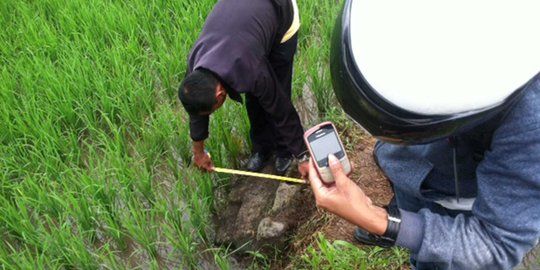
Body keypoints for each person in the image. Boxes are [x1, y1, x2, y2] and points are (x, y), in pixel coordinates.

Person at [308, 0, 540, 269]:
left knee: (431, 261)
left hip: (456, 201)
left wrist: (380, 221)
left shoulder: (532, 117)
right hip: (417, 177)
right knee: (409, 206)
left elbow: (495, 244)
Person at [178, 0, 309, 177]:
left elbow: (280, 107)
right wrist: (198, 152)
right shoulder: (196, 66)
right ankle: (262, 148)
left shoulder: (251, 67)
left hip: (280, 14)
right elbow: (196, 109)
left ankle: (284, 151)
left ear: (219, 95)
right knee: (254, 98)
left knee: (277, 88)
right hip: (244, 29)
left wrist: (303, 157)